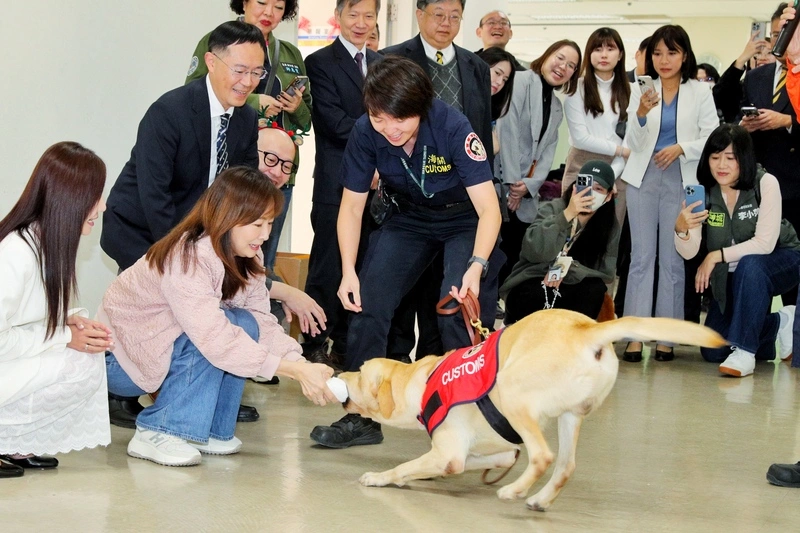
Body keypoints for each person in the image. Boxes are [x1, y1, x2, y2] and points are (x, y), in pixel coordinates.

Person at [309, 56, 501, 449]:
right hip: (409, 218)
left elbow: (489, 209)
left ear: (421, 107)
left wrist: (477, 266)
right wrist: (349, 270)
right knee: (367, 302)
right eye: (380, 119)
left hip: (463, 219)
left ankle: (468, 415)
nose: (389, 129)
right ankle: (360, 417)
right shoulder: (367, 131)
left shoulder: (452, 127)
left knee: (454, 309)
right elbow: (351, 207)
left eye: (399, 120)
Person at [99, 167, 337, 467]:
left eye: (270, 224)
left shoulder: (247, 257)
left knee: (245, 323)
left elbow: (262, 322)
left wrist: (303, 365)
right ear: (228, 217)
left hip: (160, 351)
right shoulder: (188, 256)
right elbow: (211, 337)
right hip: (120, 360)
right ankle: (157, 430)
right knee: (214, 333)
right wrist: (290, 370)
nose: (265, 234)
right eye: (257, 224)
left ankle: (209, 429)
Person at [380, 0, 496, 362]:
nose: (446, 23)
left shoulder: (476, 66)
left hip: (459, 204)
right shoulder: (391, 60)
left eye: (455, 17)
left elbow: (482, 132)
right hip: (408, 202)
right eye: (438, 15)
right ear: (420, 14)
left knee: (445, 295)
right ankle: (396, 363)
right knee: (399, 293)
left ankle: (438, 368)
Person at [0, 142, 113, 478]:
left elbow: (26, 316)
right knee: (78, 360)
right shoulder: (15, 254)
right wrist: (63, 335)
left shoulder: (45, 244)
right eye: (96, 196)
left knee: (87, 360)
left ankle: (13, 443)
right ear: (69, 198)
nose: (103, 206)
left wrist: (69, 321)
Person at [186, 0, 313, 272]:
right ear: (243, 3)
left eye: (278, 7)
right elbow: (195, 93)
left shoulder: (290, 53)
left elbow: (307, 120)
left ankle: (257, 306)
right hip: (234, 165)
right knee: (219, 249)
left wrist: (297, 107)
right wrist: (254, 101)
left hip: (277, 170)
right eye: (261, 3)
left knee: (262, 255)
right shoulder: (217, 41)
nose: (268, 13)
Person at [619, 25, 718, 363]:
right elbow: (634, 142)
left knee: (673, 260)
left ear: (685, 55)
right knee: (641, 259)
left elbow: (712, 137)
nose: (663, 60)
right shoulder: (641, 89)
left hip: (681, 177)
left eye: (671, 52)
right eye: (657, 53)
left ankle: (667, 338)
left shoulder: (700, 92)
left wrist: (681, 148)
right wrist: (643, 114)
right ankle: (634, 337)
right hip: (643, 178)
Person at [674, 124, 799, 376]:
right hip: (732, 276)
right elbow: (689, 252)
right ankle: (780, 322)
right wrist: (681, 230)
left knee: (750, 264)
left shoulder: (765, 183)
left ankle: (744, 352)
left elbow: (764, 243)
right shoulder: (703, 194)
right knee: (713, 351)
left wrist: (715, 256)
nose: (721, 165)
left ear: (744, 158)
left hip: (782, 259)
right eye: (715, 157)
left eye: (730, 158)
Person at [303, 0, 382, 368]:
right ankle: (314, 342)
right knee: (328, 266)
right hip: (336, 184)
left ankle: (350, 346)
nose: (361, 23)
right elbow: (333, 123)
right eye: (354, 15)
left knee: (366, 264)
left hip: (381, 186)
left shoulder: (382, 65)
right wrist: (383, 130)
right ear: (338, 17)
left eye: (369, 16)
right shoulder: (320, 63)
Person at [495, 39, 581, 286]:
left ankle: (507, 303)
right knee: (495, 251)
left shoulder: (556, 107)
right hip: (501, 181)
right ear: (547, 54)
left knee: (515, 253)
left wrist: (529, 185)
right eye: (560, 57)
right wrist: (513, 182)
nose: (563, 67)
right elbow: (506, 129)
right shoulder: (520, 81)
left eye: (571, 66)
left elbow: (548, 152)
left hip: (525, 192)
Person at [501, 161, 620, 323]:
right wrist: (566, 215)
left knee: (594, 289)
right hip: (536, 280)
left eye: (599, 189)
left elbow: (606, 272)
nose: (591, 192)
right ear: (575, 187)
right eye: (586, 184)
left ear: (608, 196)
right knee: (535, 292)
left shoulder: (609, 225)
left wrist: (566, 270)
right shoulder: (553, 209)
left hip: (575, 287)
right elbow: (533, 252)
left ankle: (570, 343)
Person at [740, 3, 800, 252]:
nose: (782, 39)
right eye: (777, 34)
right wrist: (745, 126)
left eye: (787, 31)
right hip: (761, 180)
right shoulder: (756, 76)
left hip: (795, 180)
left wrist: (786, 122)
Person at [563, 27, 630, 201]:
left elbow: (631, 140)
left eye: (610, 49)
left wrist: (610, 175)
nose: (604, 55)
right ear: (589, 54)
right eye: (597, 49)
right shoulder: (576, 89)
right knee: (575, 226)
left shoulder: (632, 91)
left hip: (618, 168)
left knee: (611, 227)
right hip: (581, 163)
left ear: (620, 54)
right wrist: (620, 150)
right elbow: (580, 138)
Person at [712, 31, 770, 123]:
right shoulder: (742, 87)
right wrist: (742, 58)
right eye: (757, 54)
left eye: (769, 53)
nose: (762, 58)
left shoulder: (781, 86)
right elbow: (719, 95)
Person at [475, 47, 516, 154]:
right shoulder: (460, 101)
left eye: (504, 80)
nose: (499, 82)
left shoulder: (488, 110)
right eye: (497, 73)